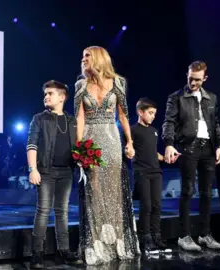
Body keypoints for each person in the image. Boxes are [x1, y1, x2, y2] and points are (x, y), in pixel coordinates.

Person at [74, 46, 140, 265]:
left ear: (99, 58)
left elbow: (123, 115)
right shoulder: (80, 85)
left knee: (115, 190)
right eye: (82, 57)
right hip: (90, 140)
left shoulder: (119, 83)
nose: (83, 60)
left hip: (112, 141)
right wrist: (79, 146)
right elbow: (80, 118)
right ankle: (96, 244)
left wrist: (129, 142)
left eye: (87, 56)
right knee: (94, 190)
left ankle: (117, 243)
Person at [162, 60, 220, 251]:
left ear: (204, 78)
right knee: (187, 191)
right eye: (190, 78)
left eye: (197, 80)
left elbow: (215, 124)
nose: (193, 83)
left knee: (206, 193)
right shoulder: (176, 97)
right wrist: (169, 144)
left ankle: (205, 234)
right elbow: (169, 122)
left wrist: (219, 146)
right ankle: (184, 236)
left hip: (208, 148)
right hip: (188, 147)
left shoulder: (211, 98)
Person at [26, 80, 82, 269]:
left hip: (66, 172)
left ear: (62, 97)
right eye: (45, 94)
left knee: (62, 212)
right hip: (46, 171)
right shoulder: (39, 119)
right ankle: (37, 253)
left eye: (50, 93)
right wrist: (33, 169)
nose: (46, 96)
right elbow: (31, 144)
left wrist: (82, 161)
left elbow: (79, 145)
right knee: (43, 211)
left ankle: (64, 250)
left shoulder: (72, 121)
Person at [131, 98, 171, 254]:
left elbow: (152, 152)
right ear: (140, 112)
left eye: (154, 113)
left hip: (156, 172)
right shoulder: (133, 130)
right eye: (150, 113)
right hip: (142, 171)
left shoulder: (154, 131)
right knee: (146, 206)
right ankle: (145, 238)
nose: (153, 116)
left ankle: (156, 236)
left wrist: (165, 157)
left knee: (156, 206)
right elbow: (129, 149)